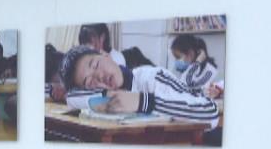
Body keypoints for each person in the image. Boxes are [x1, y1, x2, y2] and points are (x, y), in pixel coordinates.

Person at [60, 45, 220, 127]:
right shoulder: (102, 96)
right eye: (90, 82)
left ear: (105, 55)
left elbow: (211, 111)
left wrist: (144, 102)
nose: (99, 76)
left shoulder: (152, 78)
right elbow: (71, 98)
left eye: (95, 65)